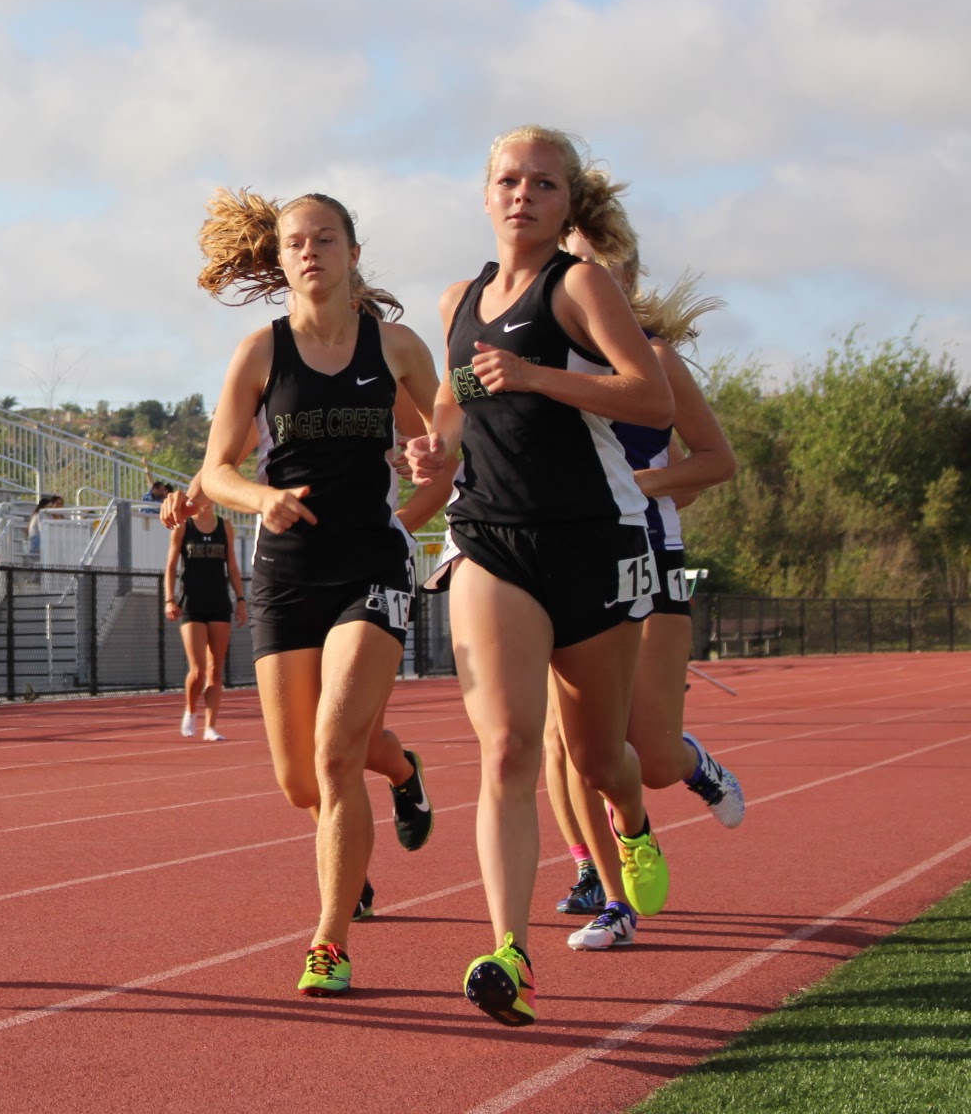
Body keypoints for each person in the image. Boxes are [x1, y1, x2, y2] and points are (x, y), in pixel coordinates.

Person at [405, 124, 674, 1027]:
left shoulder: (581, 285)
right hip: (489, 539)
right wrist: (430, 450)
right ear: (485, 194)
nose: (523, 196)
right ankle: (507, 951)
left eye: (544, 184)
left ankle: (631, 824)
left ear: (567, 202)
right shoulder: (458, 301)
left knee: (600, 758)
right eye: (509, 181)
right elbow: (451, 405)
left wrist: (536, 377)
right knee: (512, 746)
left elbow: (650, 396)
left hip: (592, 540)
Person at [188, 186, 442, 997]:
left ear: (352, 254)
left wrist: (417, 491)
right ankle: (402, 772)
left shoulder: (396, 348)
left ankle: (330, 939)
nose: (309, 252)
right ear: (281, 258)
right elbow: (215, 470)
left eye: (325, 239)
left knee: (334, 751)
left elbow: (444, 446)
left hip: (370, 564)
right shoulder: (260, 355)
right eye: (295, 242)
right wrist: (264, 500)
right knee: (302, 781)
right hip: (287, 572)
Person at [544, 223, 744, 953]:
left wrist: (642, 484)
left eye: (602, 267)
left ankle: (693, 763)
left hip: (648, 560)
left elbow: (716, 461)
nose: (586, 276)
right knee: (564, 744)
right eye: (575, 264)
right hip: (560, 563)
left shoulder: (656, 362)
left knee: (648, 757)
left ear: (626, 283)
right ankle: (607, 888)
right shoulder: (543, 359)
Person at [162, 502, 243, 741]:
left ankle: (211, 727)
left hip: (219, 603)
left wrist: (240, 600)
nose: (206, 500)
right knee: (197, 670)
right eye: (201, 495)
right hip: (192, 604)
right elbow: (171, 566)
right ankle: (190, 709)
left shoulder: (225, 526)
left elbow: (233, 566)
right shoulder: (183, 526)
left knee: (215, 670)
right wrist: (169, 599)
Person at [26, 493, 64, 559]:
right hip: (36, 541)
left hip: (42, 540)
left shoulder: (50, 516)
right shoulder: (40, 515)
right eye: (49, 506)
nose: (50, 508)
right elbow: (43, 530)